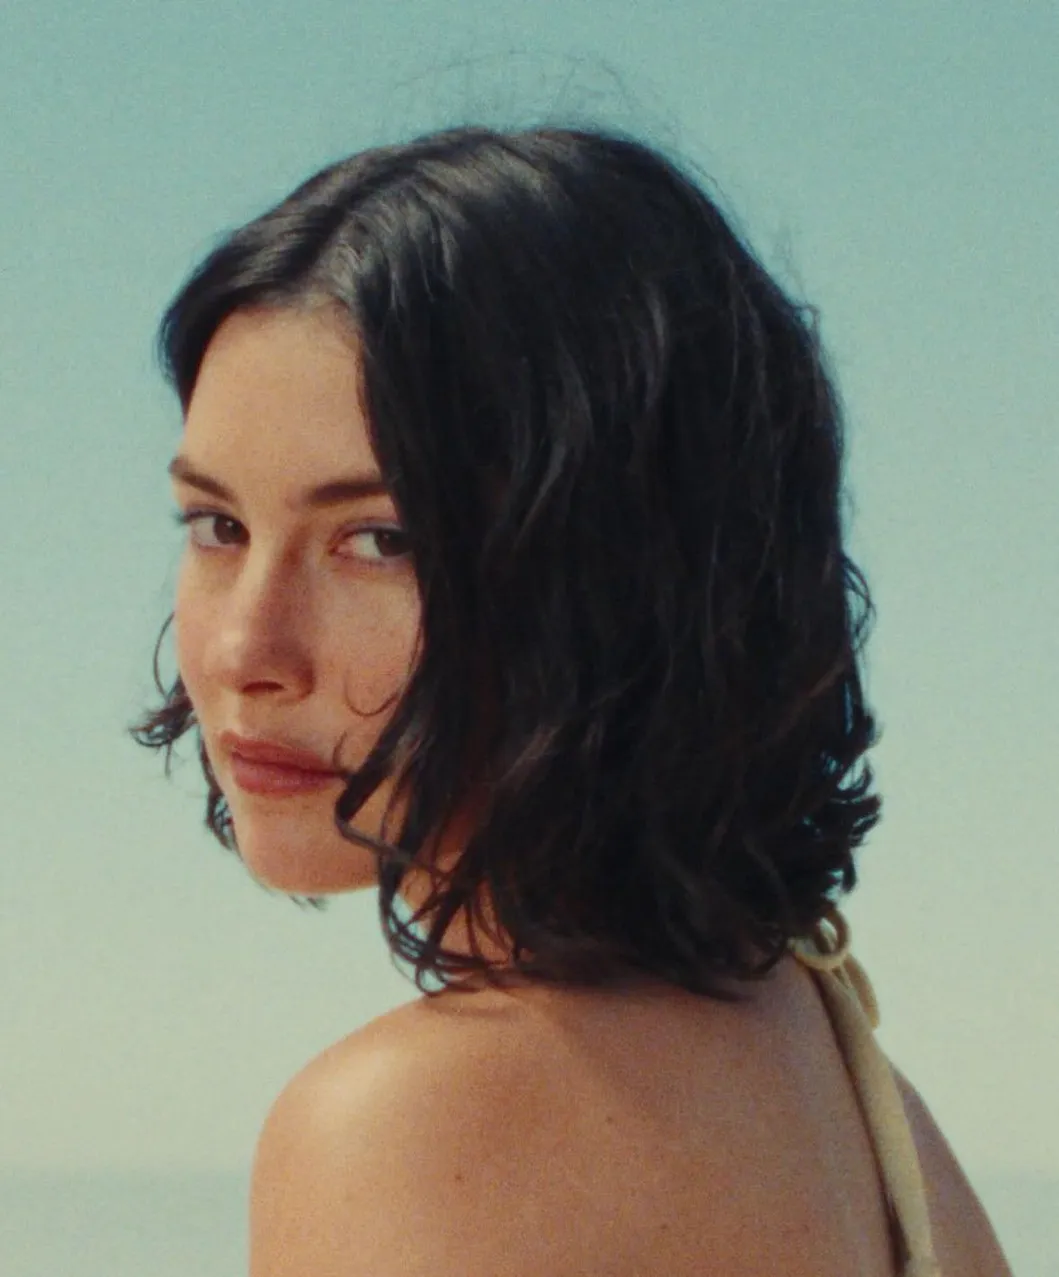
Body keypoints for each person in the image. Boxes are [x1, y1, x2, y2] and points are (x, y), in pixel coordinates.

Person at [131, 126, 1012, 1276]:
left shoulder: (404, 1128)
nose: (247, 648)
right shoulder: (848, 1083)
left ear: (625, 575)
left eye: (381, 540)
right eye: (219, 525)